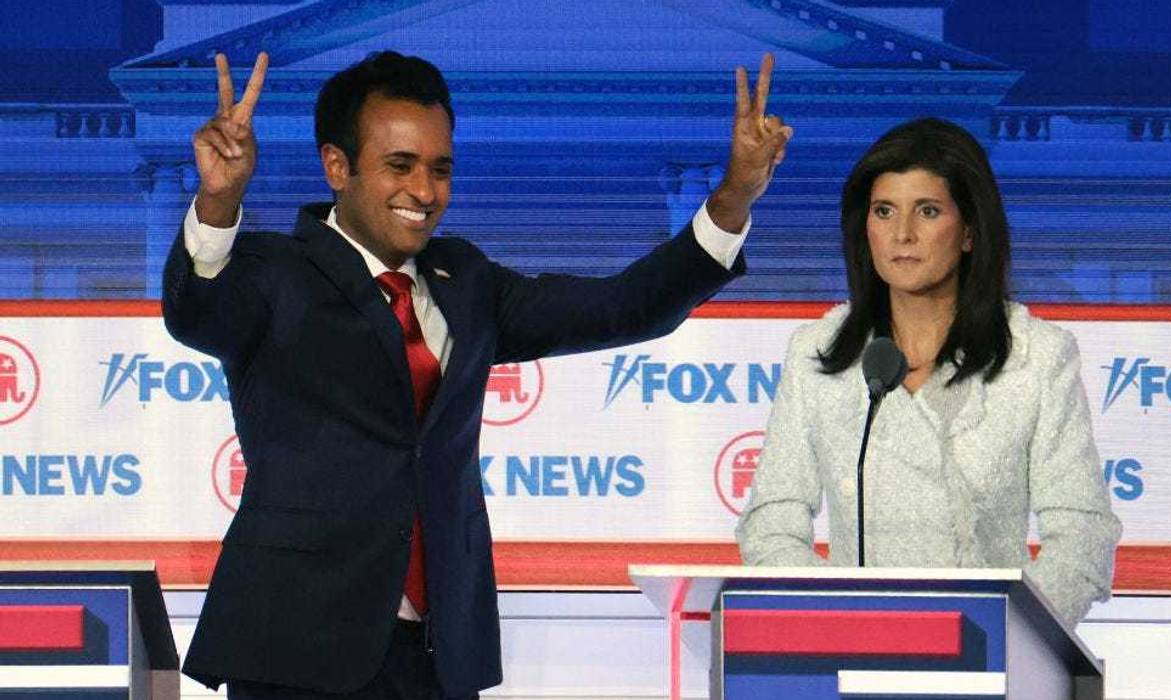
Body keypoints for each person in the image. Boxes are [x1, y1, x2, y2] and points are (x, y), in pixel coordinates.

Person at [164, 50, 792, 698]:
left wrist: (732, 197)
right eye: (399, 166)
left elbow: (620, 308)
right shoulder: (274, 272)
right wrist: (218, 201)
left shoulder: (464, 280)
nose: (424, 191)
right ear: (336, 167)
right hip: (292, 646)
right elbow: (197, 313)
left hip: (440, 655)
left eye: (440, 169)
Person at [735, 117, 1120, 626]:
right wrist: (840, 621)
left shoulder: (1038, 357)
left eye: (929, 211)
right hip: (854, 650)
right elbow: (771, 526)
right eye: (884, 211)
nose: (903, 235)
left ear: (969, 232)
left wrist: (999, 636)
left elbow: (1082, 538)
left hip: (990, 656)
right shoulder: (817, 354)